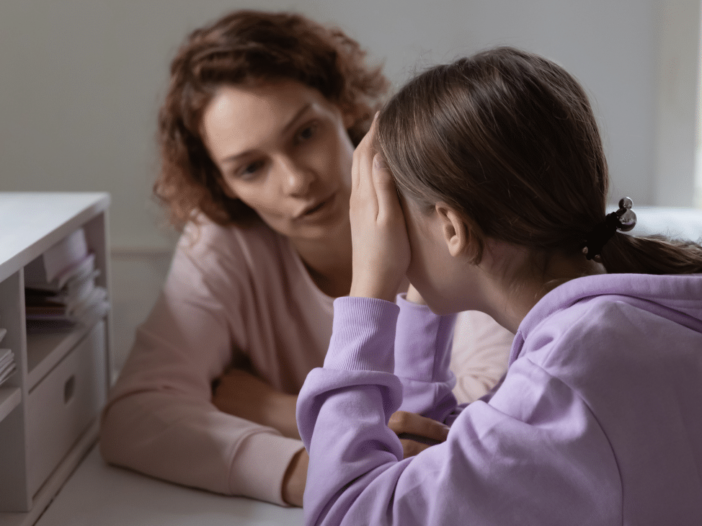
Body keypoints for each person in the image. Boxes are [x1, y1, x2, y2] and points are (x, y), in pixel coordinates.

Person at [99, 10, 513, 508]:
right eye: (251, 168)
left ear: (341, 105)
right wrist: (309, 470)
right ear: (223, 185)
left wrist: (274, 407)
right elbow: (134, 415)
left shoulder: (437, 203)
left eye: (304, 133)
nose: (296, 180)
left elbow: (488, 413)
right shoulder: (224, 242)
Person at [297, 47, 702, 524]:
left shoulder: (566, 380)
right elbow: (436, 460)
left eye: (390, 213)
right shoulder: (626, 330)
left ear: (452, 227)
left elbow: (343, 515)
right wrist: (421, 306)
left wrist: (368, 288)